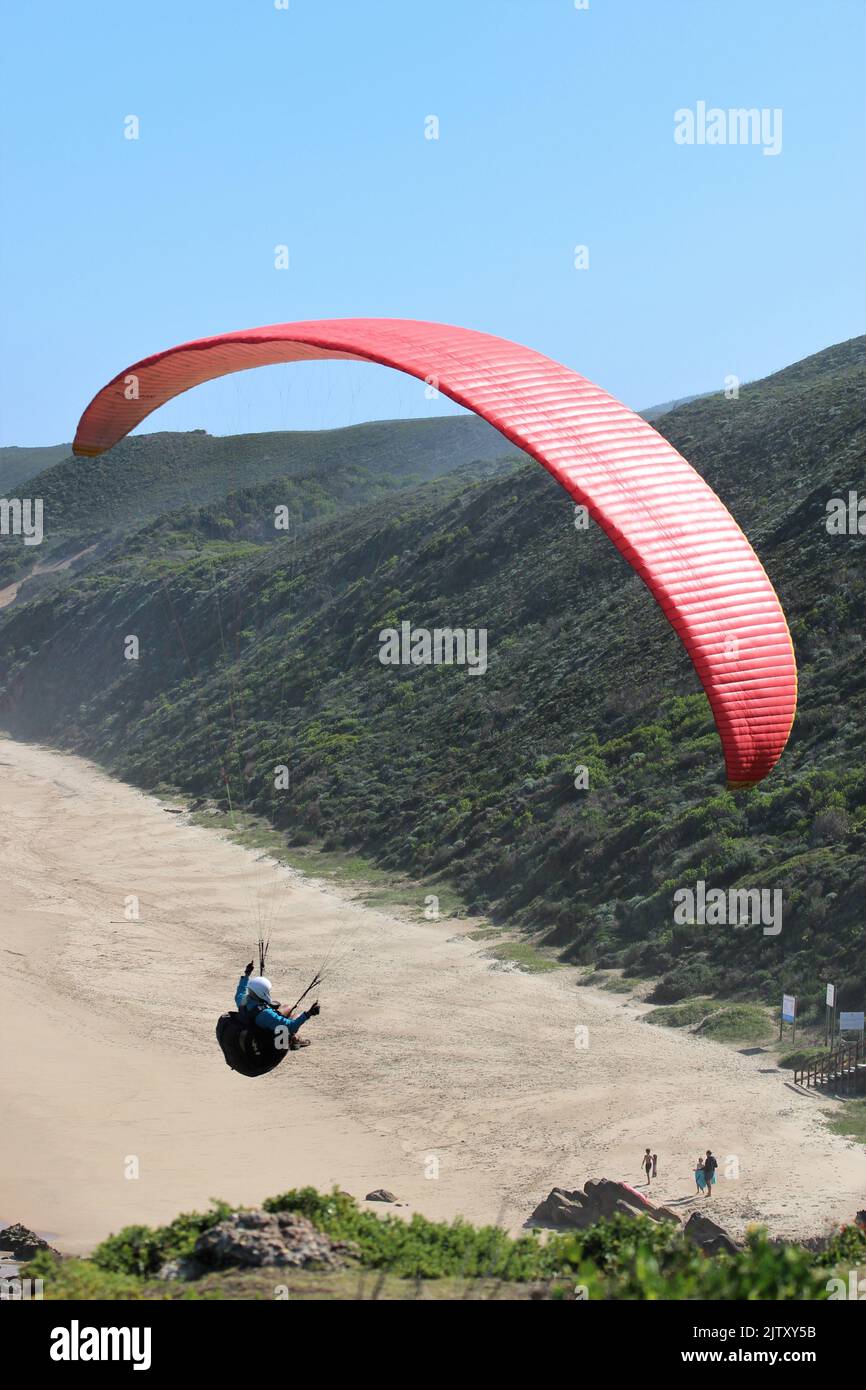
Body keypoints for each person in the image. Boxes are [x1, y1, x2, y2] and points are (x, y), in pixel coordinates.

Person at [236, 961, 319, 1051]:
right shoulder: (266, 1014)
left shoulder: (242, 1000)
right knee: (296, 1016)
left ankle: (293, 1038)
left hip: (254, 1024)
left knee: (288, 1007)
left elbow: (241, 990)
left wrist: (247, 974)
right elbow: (291, 1027)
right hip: (265, 1034)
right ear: (263, 993)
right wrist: (309, 1014)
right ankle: (294, 1040)